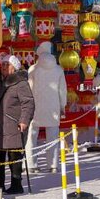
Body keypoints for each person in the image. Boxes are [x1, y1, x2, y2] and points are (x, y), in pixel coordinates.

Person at [0, 55, 35, 194]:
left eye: (7, 64)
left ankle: (16, 184)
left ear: (14, 67)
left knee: (14, 156)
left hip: (13, 125)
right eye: (3, 64)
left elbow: (28, 103)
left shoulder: (20, 83)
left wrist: (24, 120)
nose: (4, 66)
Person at [27, 41, 67, 173]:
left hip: (35, 107)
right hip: (53, 107)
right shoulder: (58, 70)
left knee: (31, 136)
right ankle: (53, 164)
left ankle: (31, 164)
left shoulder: (33, 69)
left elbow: (29, 88)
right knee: (53, 137)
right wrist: (62, 105)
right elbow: (62, 90)